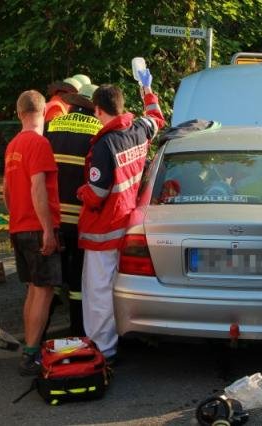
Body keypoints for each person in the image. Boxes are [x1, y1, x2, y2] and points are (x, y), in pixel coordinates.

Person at [77, 71, 165, 363]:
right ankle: (120, 338)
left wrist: (81, 193)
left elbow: (98, 193)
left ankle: (104, 350)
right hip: (128, 224)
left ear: (98, 110)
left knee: (98, 293)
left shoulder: (104, 145)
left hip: (104, 230)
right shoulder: (138, 129)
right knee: (119, 287)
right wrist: (148, 89)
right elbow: (157, 118)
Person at [4, 90, 62, 376]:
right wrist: (48, 230)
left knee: (32, 290)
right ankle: (30, 354)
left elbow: (5, 190)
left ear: (19, 113)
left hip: (19, 225)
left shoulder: (13, 145)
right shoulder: (39, 144)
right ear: (45, 111)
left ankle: (29, 348)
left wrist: (17, 215)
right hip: (37, 227)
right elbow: (38, 188)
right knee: (44, 291)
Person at [45, 83, 103, 336]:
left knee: (50, 282)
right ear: (95, 108)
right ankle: (78, 333)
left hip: (53, 218)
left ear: (74, 103)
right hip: (81, 218)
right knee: (78, 282)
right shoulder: (99, 131)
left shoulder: (53, 126)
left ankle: (38, 337)